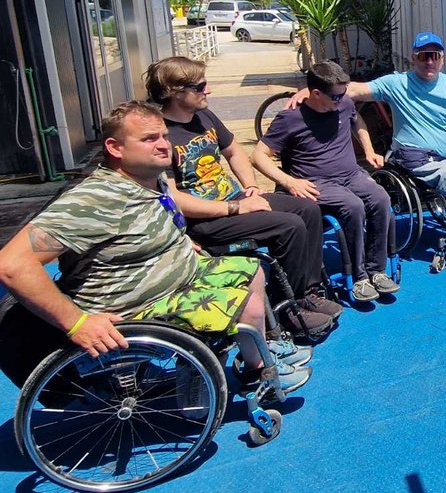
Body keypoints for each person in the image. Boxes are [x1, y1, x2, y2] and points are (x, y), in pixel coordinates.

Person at [0, 102, 310, 393]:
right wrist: (76, 323)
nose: (164, 145)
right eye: (150, 139)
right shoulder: (94, 201)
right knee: (248, 306)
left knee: (254, 270)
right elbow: (11, 264)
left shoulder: (150, 177)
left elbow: (152, 217)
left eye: (164, 136)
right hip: (135, 307)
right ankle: (259, 372)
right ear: (115, 148)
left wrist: (177, 240)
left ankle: (257, 350)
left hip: (174, 276)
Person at [144, 57, 339, 337]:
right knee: (289, 226)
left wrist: (251, 186)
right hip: (205, 220)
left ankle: (308, 291)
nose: (208, 90)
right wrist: (236, 207)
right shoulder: (162, 136)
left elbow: (234, 151)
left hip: (235, 199)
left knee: (307, 209)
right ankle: (290, 310)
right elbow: (174, 199)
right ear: (175, 92)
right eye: (200, 86)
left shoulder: (204, 116)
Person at [303, 32, 446, 264]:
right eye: (423, 56)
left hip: (444, 156)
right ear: (413, 58)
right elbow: (355, 89)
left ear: (442, 59)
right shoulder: (397, 83)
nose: (429, 61)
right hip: (410, 156)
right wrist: (311, 90)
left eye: (434, 55)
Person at [253, 61, 397, 302]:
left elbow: (357, 120)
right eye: (336, 96)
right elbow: (258, 155)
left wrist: (369, 150)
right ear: (316, 94)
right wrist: (289, 182)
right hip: (316, 181)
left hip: (351, 175)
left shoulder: (344, 103)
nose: (342, 99)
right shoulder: (290, 118)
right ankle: (359, 277)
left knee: (381, 198)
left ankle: (376, 270)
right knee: (353, 206)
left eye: (344, 93)